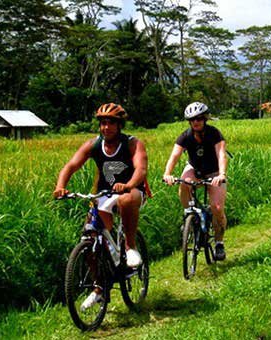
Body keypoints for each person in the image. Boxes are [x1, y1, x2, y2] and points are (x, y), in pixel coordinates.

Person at [53, 103, 148, 311]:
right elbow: (71, 165)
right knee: (91, 236)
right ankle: (99, 287)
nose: (106, 128)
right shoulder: (93, 144)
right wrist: (61, 186)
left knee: (126, 199)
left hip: (132, 191)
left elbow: (141, 169)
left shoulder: (132, 143)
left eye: (111, 123)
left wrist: (129, 185)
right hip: (104, 194)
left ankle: (130, 246)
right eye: (103, 123)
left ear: (120, 125)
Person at [162, 102, 228, 261]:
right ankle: (188, 214)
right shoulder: (185, 136)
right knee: (184, 183)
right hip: (195, 169)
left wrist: (222, 174)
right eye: (192, 119)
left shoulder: (214, 134)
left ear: (205, 119)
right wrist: (167, 174)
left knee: (217, 208)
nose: (196, 122)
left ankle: (219, 242)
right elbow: (175, 156)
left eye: (199, 118)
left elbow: (221, 155)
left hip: (214, 172)